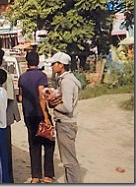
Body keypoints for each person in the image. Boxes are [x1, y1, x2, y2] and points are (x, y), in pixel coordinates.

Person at [18, 51, 55, 183]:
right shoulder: (41, 76)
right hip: (40, 113)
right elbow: (41, 95)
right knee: (49, 143)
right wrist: (45, 116)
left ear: (27, 62)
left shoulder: (22, 77)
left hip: (29, 115)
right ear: (38, 61)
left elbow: (21, 97)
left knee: (34, 145)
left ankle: (35, 176)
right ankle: (48, 175)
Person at [46, 52, 82, 183]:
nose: (52, 66)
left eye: (54, 64)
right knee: (67, 160)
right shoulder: (65, 80)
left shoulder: (66, 82)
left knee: (69, 161)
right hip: (66, 123)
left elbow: (67, 107)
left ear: (61, 65)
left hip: (66, 124)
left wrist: (54, 105)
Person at [0, 45, 20, 182]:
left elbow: (8, 100)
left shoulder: (3, 75)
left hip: (3, 120)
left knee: (3, 152)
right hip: (0, 120)